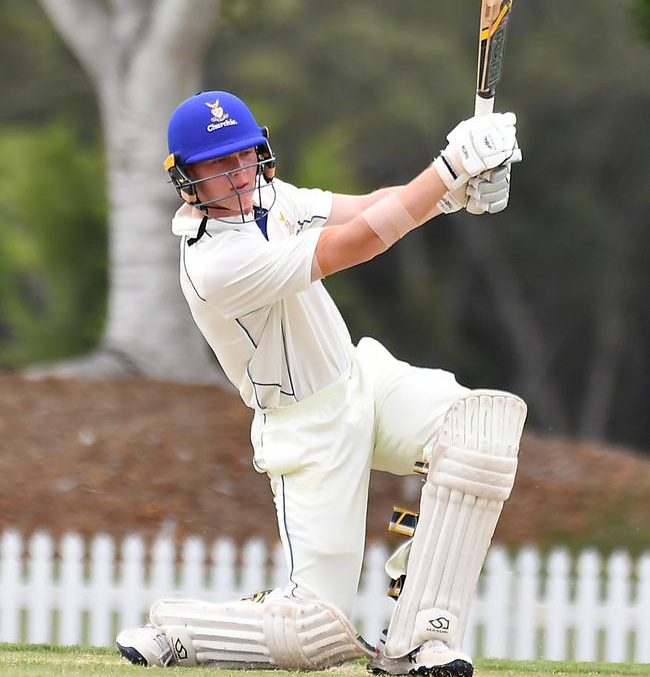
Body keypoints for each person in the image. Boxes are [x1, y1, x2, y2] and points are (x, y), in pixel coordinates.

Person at [116, 90, 527, 677]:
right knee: (313, 633)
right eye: (216, 164)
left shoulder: (272, 198)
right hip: (306, 428)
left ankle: (420, 638)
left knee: (479, 430)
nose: (235, 174)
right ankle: (184, 630)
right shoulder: (215, 265)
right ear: (187, 179)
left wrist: (457, 195)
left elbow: (367, 209)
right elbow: (356, 244)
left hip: (361, 380)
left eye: (242, 155)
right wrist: (448, 168)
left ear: (260, 152)